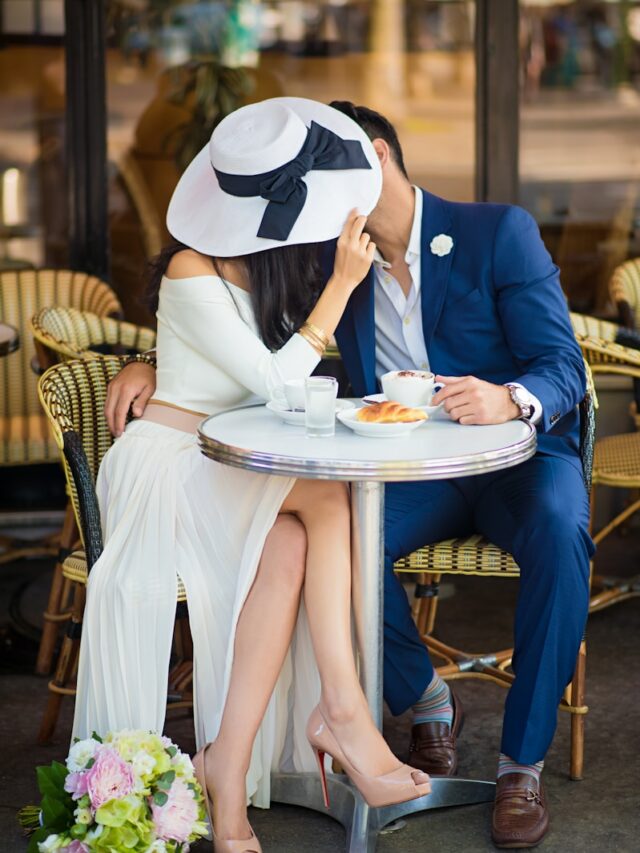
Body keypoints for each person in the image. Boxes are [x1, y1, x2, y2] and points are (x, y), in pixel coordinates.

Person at [107, 100, 594, 849]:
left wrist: (510, 399)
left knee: (562, 528)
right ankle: (426, 701)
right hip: (403, 469)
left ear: (371, 157)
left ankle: (519, 764)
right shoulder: (332, 261)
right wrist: (147, 361)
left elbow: (563, 364)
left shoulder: (497, 232)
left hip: (516, 460)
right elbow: (240, 335)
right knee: (346, 535)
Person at [75, 98, 431, 853]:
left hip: (224, 464)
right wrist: (339, 286)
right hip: (167, 468)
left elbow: (265, 374)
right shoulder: (188, 265)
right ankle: (344, 711)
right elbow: (273, 382)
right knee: (331, 497)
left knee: (295, 547)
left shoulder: (269, 263)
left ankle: (225, 775)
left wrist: (157, 357)